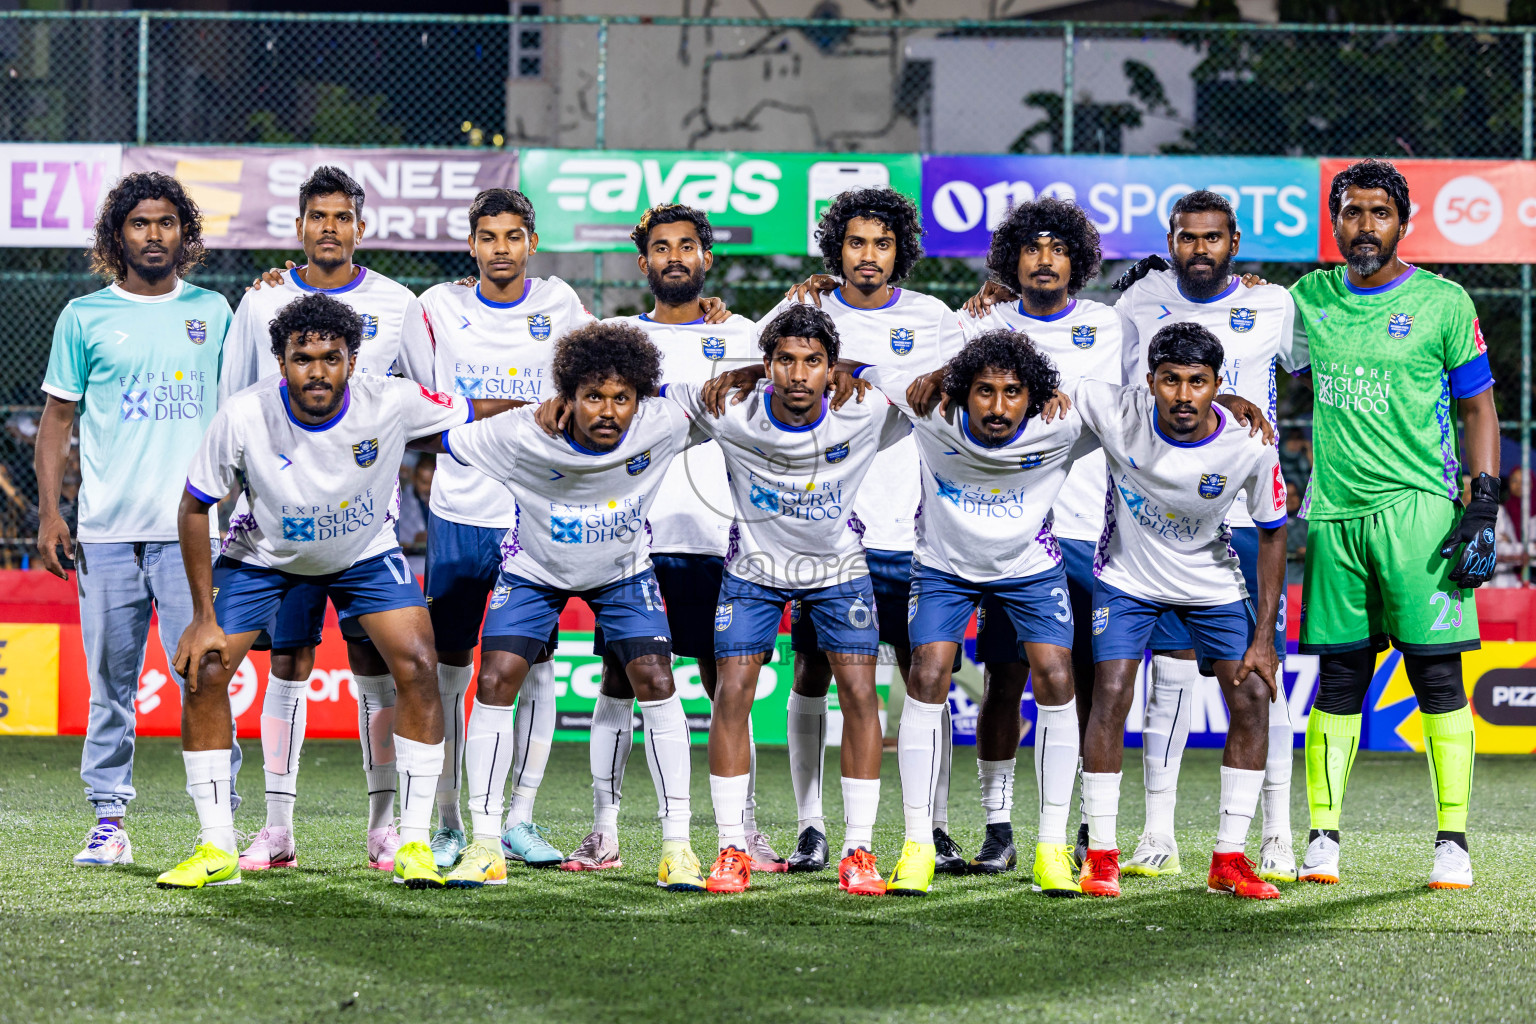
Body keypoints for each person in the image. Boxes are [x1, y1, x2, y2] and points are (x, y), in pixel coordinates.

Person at [159, 293, 510, 890]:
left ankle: (413, 842)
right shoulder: (245, 414)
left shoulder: (390, 399)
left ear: (352, 360)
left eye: (331, 357)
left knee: (419, 662)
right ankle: (217, 846)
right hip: (265, 555)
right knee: (206, 667)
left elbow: (477, 410)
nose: (317, 371)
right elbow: (194, 506)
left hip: (363, 554)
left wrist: (555, 409)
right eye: (302, 358)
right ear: (281, 362)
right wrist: (200, 616)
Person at [417, 321, 709, 891]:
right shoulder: (520, 433)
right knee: (495, 678)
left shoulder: (662, 423)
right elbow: (434, 435)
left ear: (640, 399)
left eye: (622, 397)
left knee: (655, 678)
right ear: (567, 397)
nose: (608, 411)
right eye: (593, 396)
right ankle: (485, 844)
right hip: (535, 571)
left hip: (622, 572)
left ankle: (678, 847)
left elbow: (733, 394)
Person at [1290, 159, 1497, 890]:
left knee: (1436, 675)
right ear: (1335, 222)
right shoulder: (1307, 299)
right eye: (1352, 211)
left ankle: (1453, 842)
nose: (1365, 225)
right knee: (1339, 677)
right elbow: (1237, 336)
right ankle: (1322, 838)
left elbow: (1478, 407)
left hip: (1420, 512)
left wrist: (1484, 502)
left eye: (1380, 212)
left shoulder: (1443, 302)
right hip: (1335, 514)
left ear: (1402, 223)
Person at [222, 166, 435, 875]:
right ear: (299, 227)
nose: (330, 228)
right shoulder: (263, 300)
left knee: (378, 662)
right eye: (318, 216)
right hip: (279, 523)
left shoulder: (398, 304)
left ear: (360, 228)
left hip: (366, 527)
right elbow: (233, 400)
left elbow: (426, 404)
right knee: (288, 661)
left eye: (342, 217)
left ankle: (385, 830)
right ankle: (277, 829)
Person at [665, 304, 908, 895]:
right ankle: (731, 848)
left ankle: (858, 850)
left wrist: (859, 370)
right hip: (754, 569)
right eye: (784, 361)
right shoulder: (729, 406)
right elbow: (654, 396)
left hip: (838, 569)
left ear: (831, 367)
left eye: (814, 362)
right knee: (731, 693)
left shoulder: (865, 410)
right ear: (767, 365)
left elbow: (924, 388)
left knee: (860, 695)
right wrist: (743, 374)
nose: (799, 375)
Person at [760, 187, 964, 874]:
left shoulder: (933, 317)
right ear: (836, 249)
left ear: (900, 250)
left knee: (924, 678)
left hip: (916, 533)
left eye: (882, 243)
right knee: (812, 672)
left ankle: (931, 827)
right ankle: (811, 827)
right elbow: (762, 375)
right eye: (855, 242)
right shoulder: (806, 312)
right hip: (826, 535)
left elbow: (958, 393)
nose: (868, 255)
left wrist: (872, 371)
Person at [36, 171, 237, 869]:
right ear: (117, 234)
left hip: (194, 533)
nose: (154, 235)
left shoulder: (214, 311)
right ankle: (109, 821)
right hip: (107, 532)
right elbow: (56, 420)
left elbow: (242, 414)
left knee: (206, 677)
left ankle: (219, 822)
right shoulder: (83, 316)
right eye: (140, 223)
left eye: (166, 222)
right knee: (110, 688)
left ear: (185, 234)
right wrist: (51, 513)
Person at [856, 329, 1100, 897]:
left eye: (1013, 392)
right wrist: (752, 372)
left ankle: (1052, 849)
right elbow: (857, 365)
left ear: (1034, 396)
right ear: (963, 392)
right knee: (927, 671)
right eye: (984, 391)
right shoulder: (930, 409)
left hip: (1029, 567)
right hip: (943, 566)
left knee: (1056, 674)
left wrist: (1232, 402)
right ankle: (918, 845)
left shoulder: (1061, 425)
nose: (997, 406)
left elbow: (1143, 405)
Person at [1107, 190, 1306, 883]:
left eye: (1212, 237)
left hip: (1246, 515)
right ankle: (1157, 834)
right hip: (1164, 512)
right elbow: (1116, 379)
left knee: (1259, 674)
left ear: (1234, 242)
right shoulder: (1139, 297)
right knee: (1167, 674)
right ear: (1171, 240)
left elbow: (1314, 362)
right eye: (1187, 237)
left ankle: (1276, 834)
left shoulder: (1274, 303)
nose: (1200, 249)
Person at [564, 204, 766, 873]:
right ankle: (604, 832)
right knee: (617, 683)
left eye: (686, 246)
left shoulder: (743, 334)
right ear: (642, 260)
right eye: (660, 247)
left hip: (722, 539)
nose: (673, 257)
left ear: (707, 257)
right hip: (634, 543)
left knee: (729, 688)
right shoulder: (618, 339)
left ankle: (744, 832)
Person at [1074, 322, 1288, 901]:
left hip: (1210, 581)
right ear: (1150, 382)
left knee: (1252, 695)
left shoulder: (1249, 442)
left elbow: (1273, 532)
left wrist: (1263, 638)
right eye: (1170, 380)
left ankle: (1229, 859)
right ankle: (1101, 856)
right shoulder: (1115, 410)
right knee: (1111, 691)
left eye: (1198, 382)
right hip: (1128, 579)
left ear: (1217, 384)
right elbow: (1039, 382)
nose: (1184, 395)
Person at [414, 187, 594, 873]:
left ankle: (519, 818)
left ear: (531, 243)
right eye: (487, 236)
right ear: (471, 245)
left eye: (513, 236)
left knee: (536, 666)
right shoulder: (437, 307)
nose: (500, 248)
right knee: (451, 667)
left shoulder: (561, 304)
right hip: (461, 511)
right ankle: (450, 821)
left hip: (535, 513)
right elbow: (424, 406)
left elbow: (602, 372)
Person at [954, 196, 1126, 876]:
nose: (1045, 259)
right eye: (1032, 247)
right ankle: (998, 829)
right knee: (1005, 677)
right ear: (1012, 260)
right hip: (1010, 530)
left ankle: (1085, 826)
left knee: (1086, 682)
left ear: (1077, 260)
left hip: (1088, 530)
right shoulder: (982, 321)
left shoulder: (1108, 325)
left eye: (1058, 248)